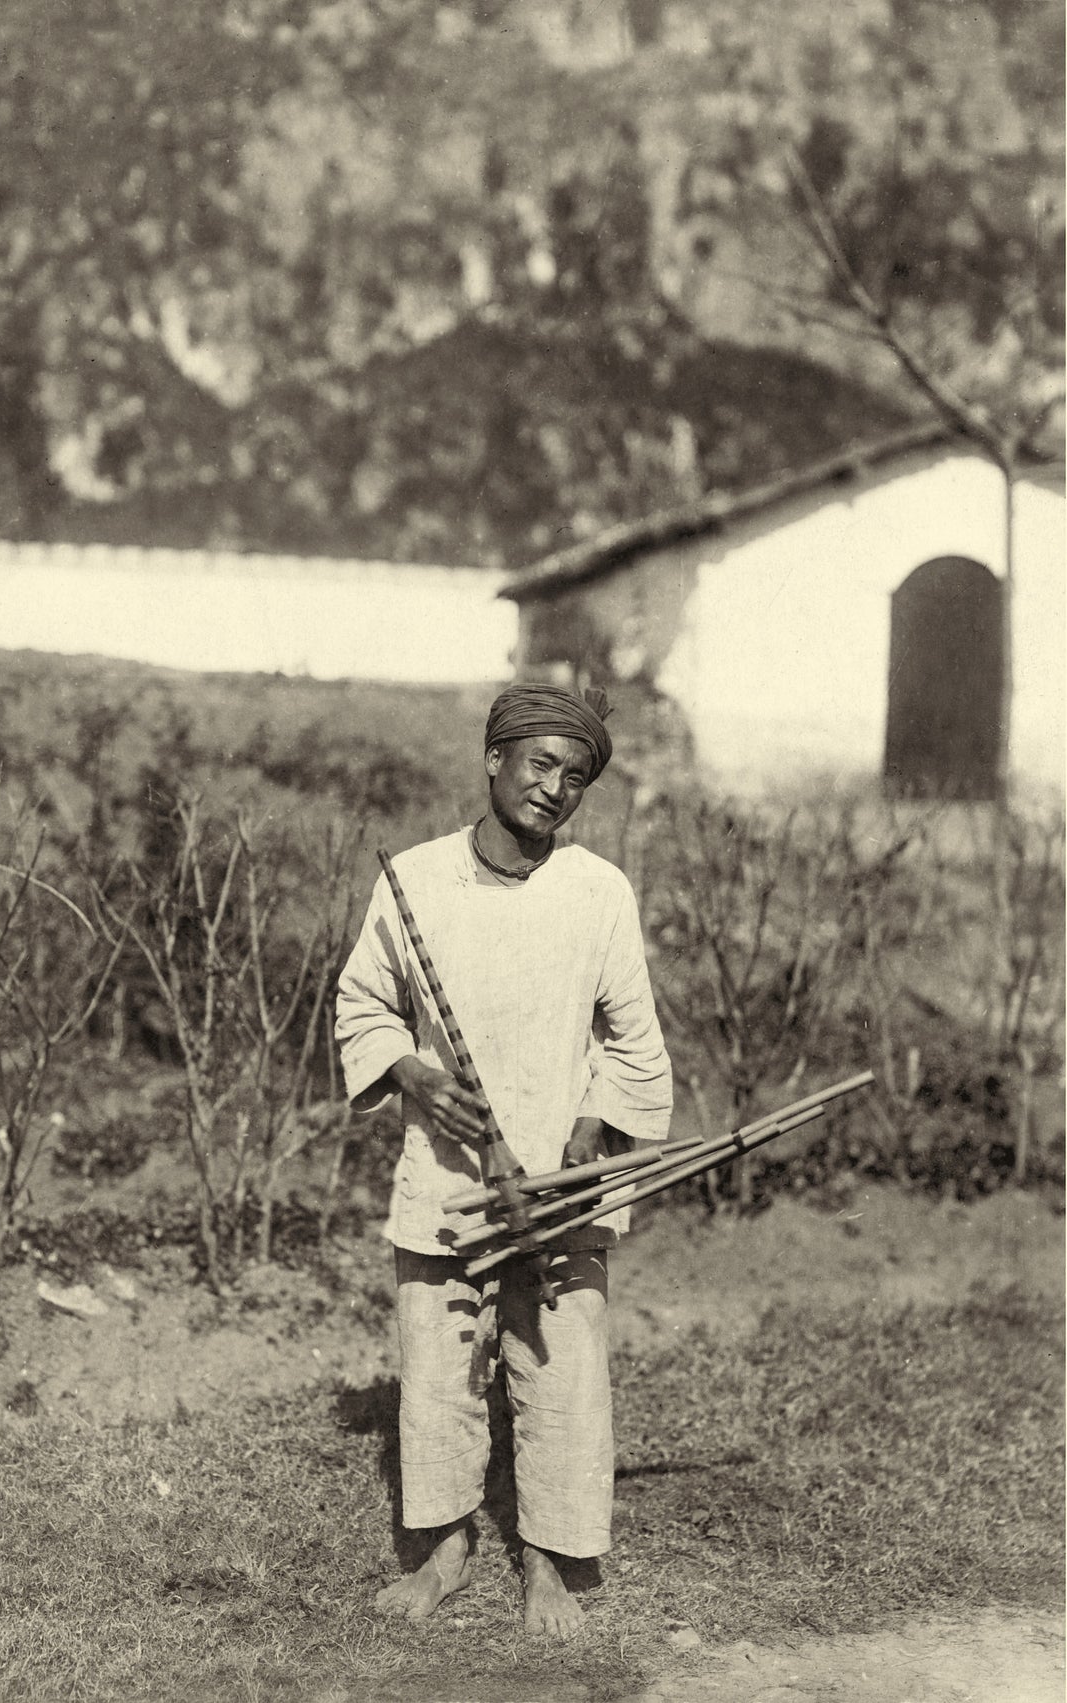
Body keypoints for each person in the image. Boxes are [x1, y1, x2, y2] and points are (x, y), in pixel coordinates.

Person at [334, 681, 672, 1640]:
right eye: (538, 764)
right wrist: (411, 1073)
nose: (554, 787)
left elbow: (636, 1041)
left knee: (562, 1365)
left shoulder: (599, 891)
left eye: (575, 775)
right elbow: (364, 1002)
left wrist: (586, 1139)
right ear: (494, 760)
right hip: (447, 1174)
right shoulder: (416, 878)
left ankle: (553, 1562)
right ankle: (444, 1547)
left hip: (562, 1179)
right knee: (438, 1363)